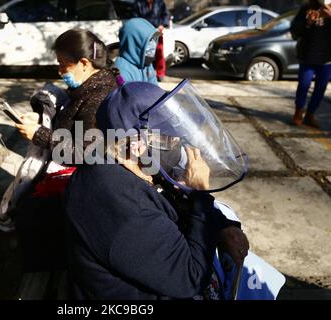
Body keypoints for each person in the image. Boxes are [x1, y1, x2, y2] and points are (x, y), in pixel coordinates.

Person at [64, 81, 251, 299]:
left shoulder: (133, 163)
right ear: (136, 144)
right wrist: (201, 195)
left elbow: (176, 198)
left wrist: (223, 226)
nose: (176, 142)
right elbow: (190, 279)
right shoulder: (119, 203)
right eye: (167, 136)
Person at [10, 28, 120, 272]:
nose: (59, 72)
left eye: (63, 65)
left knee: (31, 213)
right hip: (74, 167)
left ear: (83, 63)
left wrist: (38, 135)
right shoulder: (91, 84)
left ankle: (48, 270)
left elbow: (85, 153)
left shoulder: (98, 96)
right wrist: (40, 120)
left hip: (87, 178)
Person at [291, 0, 331, 127]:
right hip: (307, 56)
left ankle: (310, 114)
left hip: (327, 58)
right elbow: (294, 30)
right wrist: (307, 23)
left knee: (320, 89)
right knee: (303, 85)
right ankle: (298, 112)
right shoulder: (306, 8)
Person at [133, 0, 170, 82]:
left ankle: (160, 74)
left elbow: (166, 15)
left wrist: (162, 24)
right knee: (146, 54)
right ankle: (145, 74)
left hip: (156, 31)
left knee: (159, 52)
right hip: (144, 32)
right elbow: (135, 17)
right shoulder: (138, 3)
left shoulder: (160, 2)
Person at [115, 17, 159, 85]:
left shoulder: (145, 63)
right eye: (149, 42)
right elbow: (127, 94)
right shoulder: (121, 71)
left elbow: (155, 87)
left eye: (154, 40)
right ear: (134, 42)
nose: (153, 46)